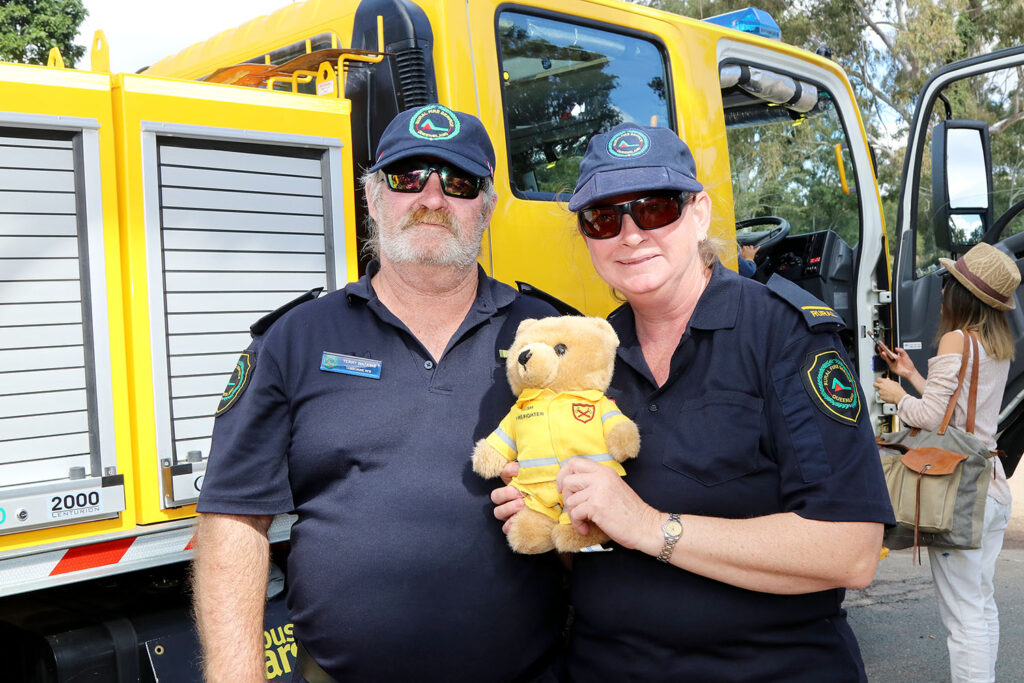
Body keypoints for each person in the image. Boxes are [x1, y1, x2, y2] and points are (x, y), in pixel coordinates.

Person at [492, 122, 895, 681]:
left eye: (654, 208)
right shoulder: (587, 355)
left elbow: (849, 549)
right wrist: (554, 513)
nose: (629, 235)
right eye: (604, 218)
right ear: (586, 236)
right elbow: (587, 549)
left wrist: (651, 525)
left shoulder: (783, 335)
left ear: (699, 213)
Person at [193, 104, 566, 682]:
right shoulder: (296, 338)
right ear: (372, 198)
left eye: (459, 183)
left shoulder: (549, 335)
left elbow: (600, 499)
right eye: (407, 177)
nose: (432, 199)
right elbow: (235, 518)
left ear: (487, 208)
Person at [874, 242, 1019, 683]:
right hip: (989, 486)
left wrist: (898, 396)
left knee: (963, 619)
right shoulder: (996, 344)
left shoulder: (957, 339)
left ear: (961, 294)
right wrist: (914, 375)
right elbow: (958, 410)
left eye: (947, 282)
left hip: (958, 491)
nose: (940, 290)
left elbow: (931, 417)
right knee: (980, 605)